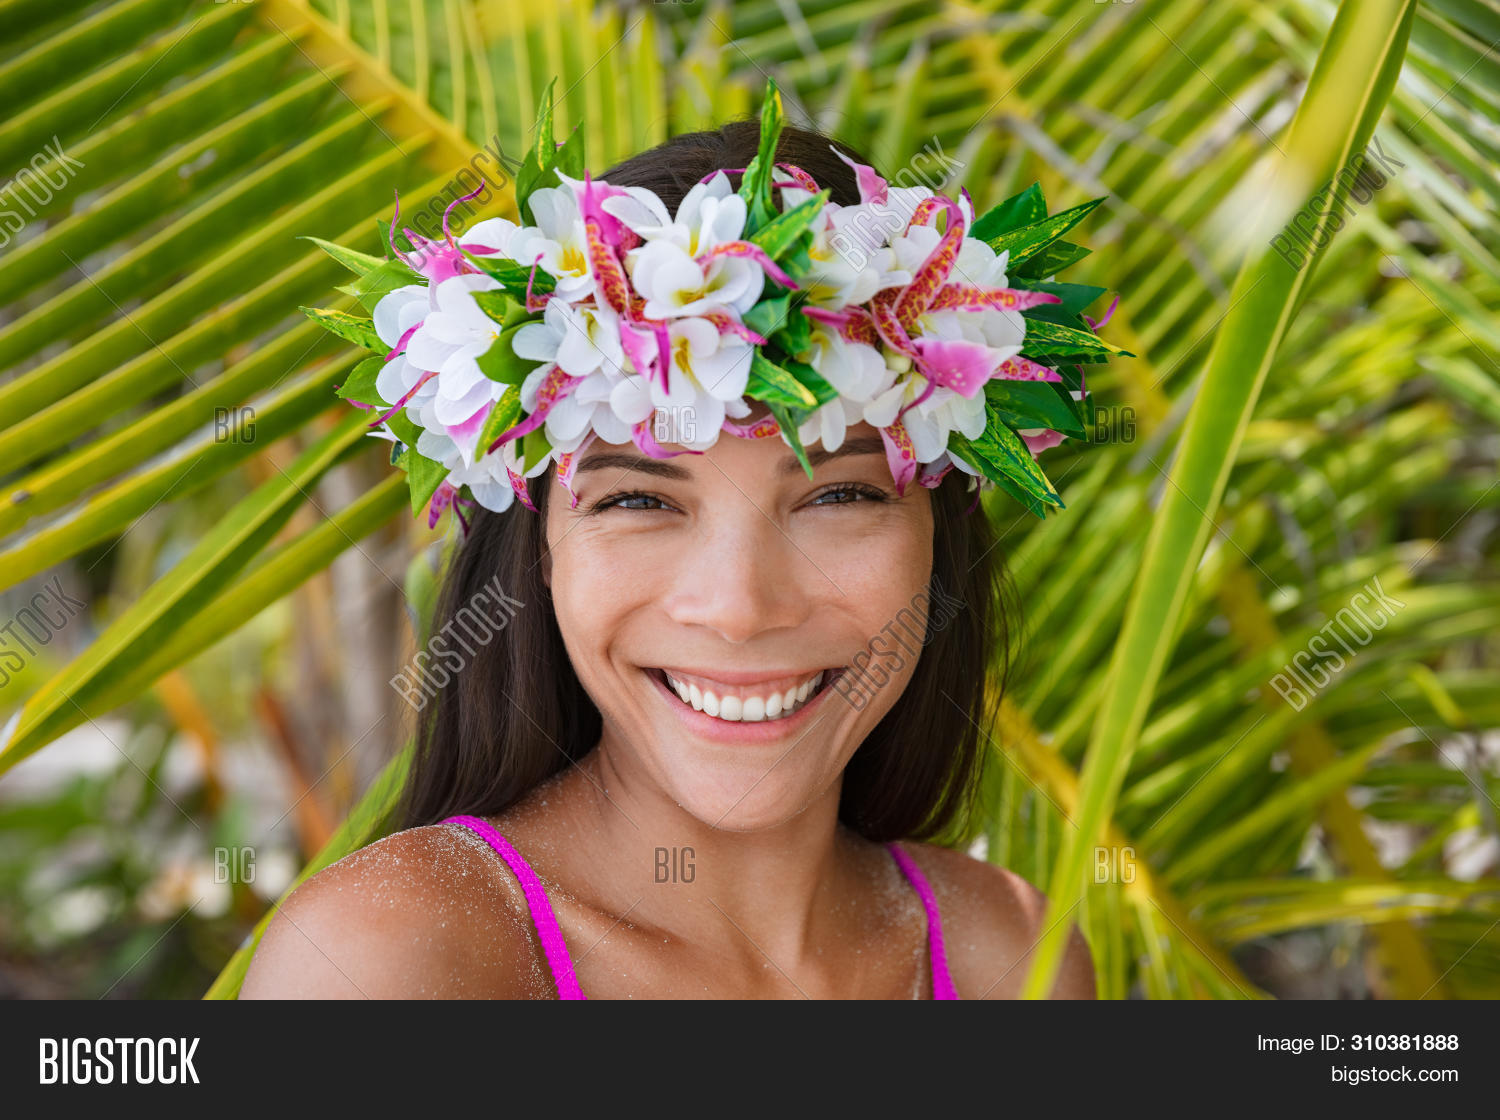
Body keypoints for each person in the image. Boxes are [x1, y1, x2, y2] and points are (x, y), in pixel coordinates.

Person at [241, 119, 1096, 1000]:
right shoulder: (396, 963)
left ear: (936, 538)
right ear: (538, 554)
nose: (738, 607)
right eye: (639, 501)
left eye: (840, 495)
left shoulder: (1010, 957)